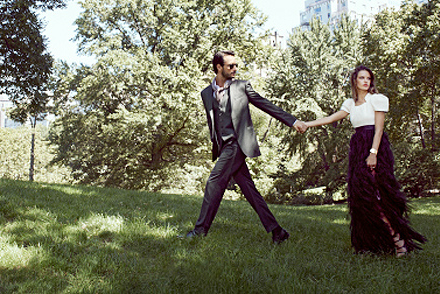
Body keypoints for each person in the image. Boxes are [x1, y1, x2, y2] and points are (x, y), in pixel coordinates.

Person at [182, 50, 307, 242]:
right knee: (249, 190)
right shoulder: (206, 93)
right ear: (218, 67)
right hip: (224, 146)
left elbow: (265, 104)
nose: (235, 69)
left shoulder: (242, 87)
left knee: (214, 182)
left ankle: (200, 231)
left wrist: (292, 121)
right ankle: (278, 232)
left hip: (237, 144)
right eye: (230, 66)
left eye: (236, 65)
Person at [303, 65, 426, 256]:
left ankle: (399, 242)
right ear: (355, 81)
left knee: (378, 194)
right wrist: (306, 124)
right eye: (362, 78)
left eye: (368, 78)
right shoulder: (350, 104)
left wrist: (374, 153)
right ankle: (373, 244)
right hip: (358, 148)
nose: (366, 81)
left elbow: (379, 130)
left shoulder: (377, 99)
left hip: (375, 147)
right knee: (362, 197)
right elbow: (331, 118)